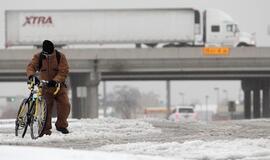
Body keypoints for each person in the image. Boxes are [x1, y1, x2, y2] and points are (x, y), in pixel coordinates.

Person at [26, 40, 70, 136]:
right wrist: (31, 76)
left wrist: (55, 80)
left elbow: (64, 70)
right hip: (45, 88)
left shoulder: (60, 57)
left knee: (65, 105)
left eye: (48, 53)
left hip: (59, 87)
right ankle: (45, 129)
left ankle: (61, 125)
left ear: (52, 49)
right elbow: (31, 66)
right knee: (46, 108)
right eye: (45, 53)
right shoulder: (39, 57)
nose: (47, 55)